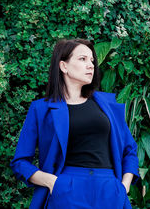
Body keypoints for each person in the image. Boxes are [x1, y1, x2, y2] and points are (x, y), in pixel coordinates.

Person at [10, 39, 139, 209]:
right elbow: (20, 162)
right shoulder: (41, 109)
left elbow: (129, 150)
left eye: (92, 60)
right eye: (82, 59)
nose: (91, 65)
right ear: (63, 66)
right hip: (67, 189)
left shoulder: (108, 105)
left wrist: (124, 186)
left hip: (109, 190)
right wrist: (52, 182)